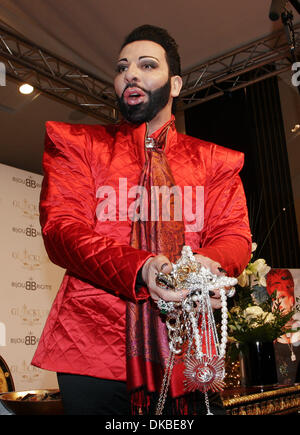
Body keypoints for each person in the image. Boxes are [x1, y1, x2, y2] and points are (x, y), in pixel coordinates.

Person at [31, 24, 252, 415]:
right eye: (121, 68)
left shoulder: (215, 162)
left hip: (188, 346)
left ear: (176, 84)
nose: (129, 74)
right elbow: (61, 230)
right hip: (92, 345)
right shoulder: (80, 146)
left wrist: (205, 266)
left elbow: (233, 235)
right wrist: (143, 269)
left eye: (147, 65)